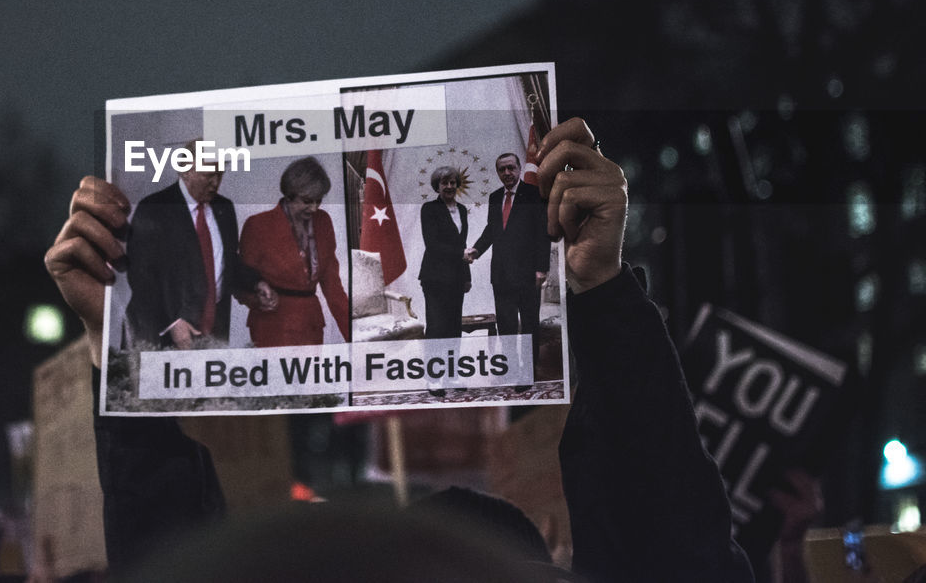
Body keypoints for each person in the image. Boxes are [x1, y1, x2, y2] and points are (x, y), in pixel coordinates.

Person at [45, 118, 754, 581]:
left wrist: (121, 357)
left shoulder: (296, 221)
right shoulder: (251, 218)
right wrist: (599, 293)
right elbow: (671, 548)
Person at [122, 149, 265, 348]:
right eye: (209, 175)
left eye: (220, 174)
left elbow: (227, 262)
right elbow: (141, 276)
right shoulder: (154, 208)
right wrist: (172, 323)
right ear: (185, 171)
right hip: (158, 334)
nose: (216, 182)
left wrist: (256, 283)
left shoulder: (224, 207)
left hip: (212, 334)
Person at [237, 156, 351, 347]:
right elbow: (240, 282)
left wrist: (352, 335)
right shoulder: (258, 226)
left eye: (319, 201)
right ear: (290, 194)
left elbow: (333, 287)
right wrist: (257, 300)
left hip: (312, 328)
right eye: (307, 201)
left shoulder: (324, 222)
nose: (314, 208)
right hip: (271, 328)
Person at [466, 151, 552, 364]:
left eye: (510, 168)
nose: (507, 172)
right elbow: (492, 230)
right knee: (506, 326)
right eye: (502, 169)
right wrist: (476, 250)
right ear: (497, 172)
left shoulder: (534, 194)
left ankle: (529, 371)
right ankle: (512, 368)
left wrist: (542, 269)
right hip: (501, 274)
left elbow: (543, 234)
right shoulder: (495, 197)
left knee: (529, 324)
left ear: (519, 168)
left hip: (528, 273)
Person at [419, 165, 472, 339]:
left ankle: (453, 365)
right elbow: (432, 245)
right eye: (444, 183)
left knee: (454, 328)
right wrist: (460, 254)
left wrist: (467, 277)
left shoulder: (462, 210)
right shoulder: (429, 209)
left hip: (457, 279)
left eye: (452, 182)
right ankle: (433, 366)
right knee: (437, 328)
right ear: (437, 186)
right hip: (435, 279)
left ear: (457, 185)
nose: (449, 186)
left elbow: (461, 243)